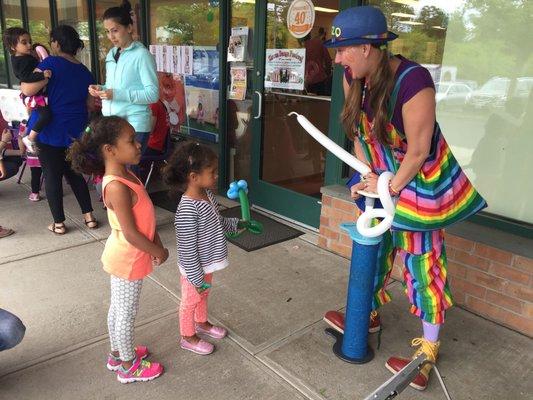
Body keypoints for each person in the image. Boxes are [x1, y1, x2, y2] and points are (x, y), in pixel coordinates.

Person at [322, 6, 486, 391]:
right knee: (375, 248)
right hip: (380, 176)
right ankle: (369, 313)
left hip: (416, 180)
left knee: (422, 261)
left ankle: (427, 351)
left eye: (343, 49)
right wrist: (365, 176)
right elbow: (359, 134)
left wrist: (389, 188)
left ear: (367, 48)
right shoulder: (353, 75)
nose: (337, 58)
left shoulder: (414, 82)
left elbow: (417, 151)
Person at [69, 115, 168, 383]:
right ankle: (127, 365)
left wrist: (157, 239)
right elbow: (132, 233)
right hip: (128, 257)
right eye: (131, 141)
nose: (138, 145)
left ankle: (117, 353)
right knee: (125, 313)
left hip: (127, 254)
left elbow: (144, 218)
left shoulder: (127, 173)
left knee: (118, 308)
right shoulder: (115, 185)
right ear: (109, 150)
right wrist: (158, 251)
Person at [163, 143, 245, 355]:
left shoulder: (208, 195)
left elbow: (218, 222)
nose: (216, 176)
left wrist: (238, 225)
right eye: (212, 172)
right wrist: (196, 278)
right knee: (190, 300)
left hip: (206, 264)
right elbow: (187, 250)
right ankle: (187, 336)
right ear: (193, 176)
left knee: (203, 296)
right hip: (194, 268)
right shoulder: (188, 209)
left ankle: (201, 323)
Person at [20, 25, 97, 235]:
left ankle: (59, 223)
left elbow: (27, 88)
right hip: (75, 130)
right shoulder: (84, 71)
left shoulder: (50, 63)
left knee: (52, 176)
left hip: (49, 130)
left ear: (56, 43)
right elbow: (90, 104)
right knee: (75, 174)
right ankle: (89, 216)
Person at [89, 0, 158, 176]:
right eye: (107, 31)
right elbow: (115, 87)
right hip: (113, 122)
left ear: (129, 28)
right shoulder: (112, 54)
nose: (111, 36)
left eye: (115, 30)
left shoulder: (142, 55)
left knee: (127, 173)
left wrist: (116, 94)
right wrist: (101, 88)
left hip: (134, 123)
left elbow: (152, 94)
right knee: (115, 172)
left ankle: (131, 203)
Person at [2, 27, 52, 154]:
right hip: (35, 95)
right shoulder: (20, 61)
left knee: (41, 115)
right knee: (46, 115)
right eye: (24, 42)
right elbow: (25, 77)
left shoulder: (24, 57)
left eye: (29, 41)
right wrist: (42, 75)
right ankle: (29, 138)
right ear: (13, 46)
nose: (29, 45)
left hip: (36, 93)